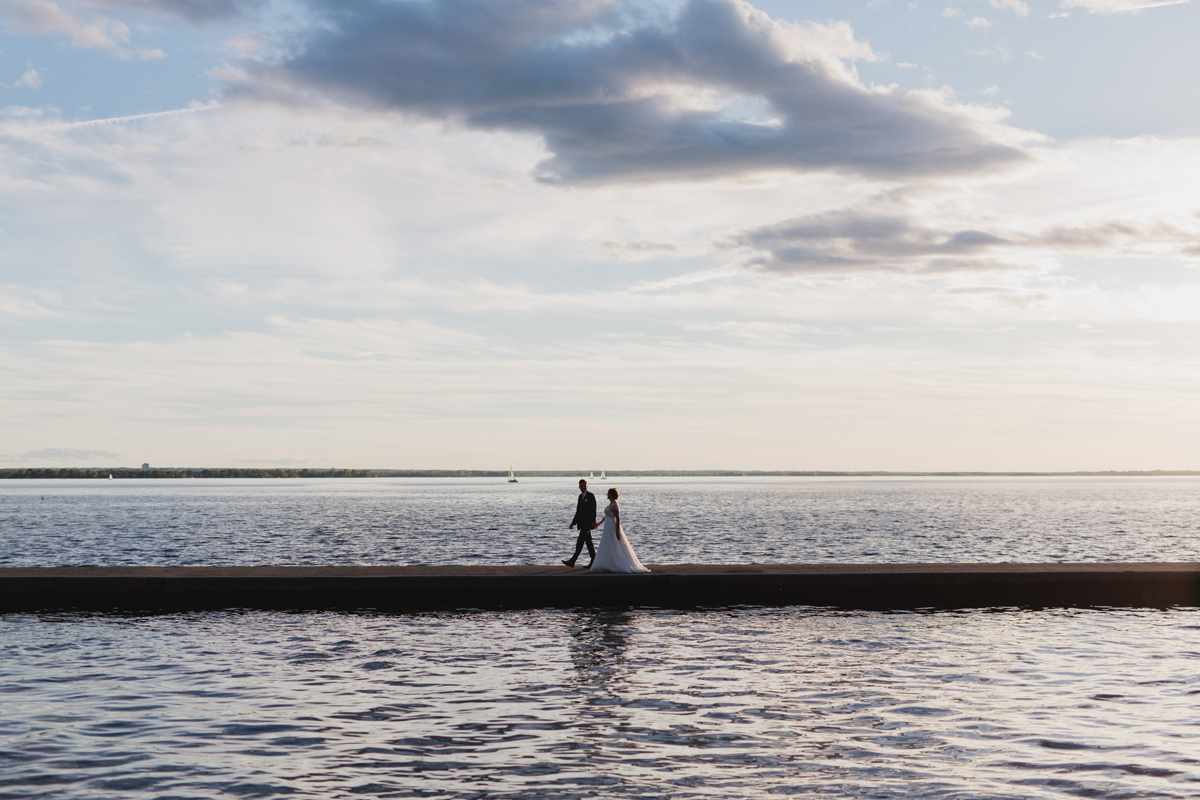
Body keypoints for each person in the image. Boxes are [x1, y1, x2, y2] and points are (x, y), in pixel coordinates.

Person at [590, 488, 650, 574]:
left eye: (608, 493)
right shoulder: (610, 504)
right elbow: (606, 516)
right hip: (607, 526)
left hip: (612, 526)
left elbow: (618, 518)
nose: (607, 495)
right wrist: (598, 524)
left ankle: (616, 564)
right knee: (606, 544)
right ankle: (606, 564)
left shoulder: (615, 505)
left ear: (611, 494)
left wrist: (617, 530)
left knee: (613, 544)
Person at [563, 478, 597, 568]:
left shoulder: (591, 496)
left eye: (584, 486)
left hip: (587, 524)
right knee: (589, 543)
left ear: (587, 486)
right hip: (582, 524)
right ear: (579, 487)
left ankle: (572, 561)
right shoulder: (580, 497)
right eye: (581, 486)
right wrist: (573, 523)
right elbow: (578, 511)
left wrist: (594, 521)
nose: (582, 487)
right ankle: (594, 561)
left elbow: (593, 510)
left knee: (580, 542)